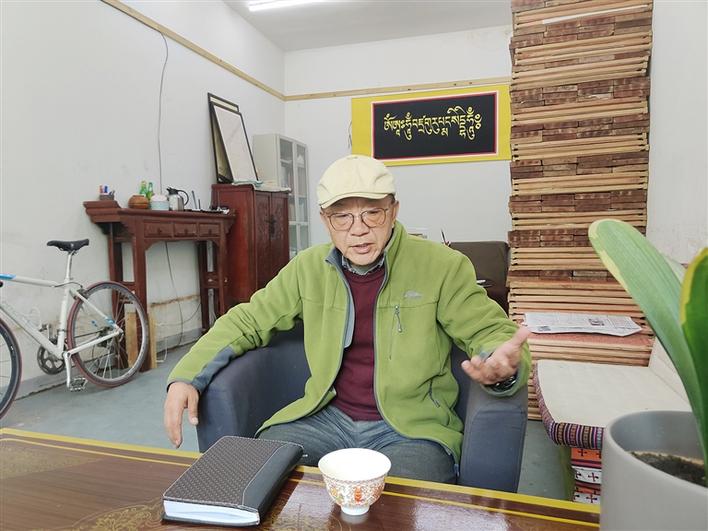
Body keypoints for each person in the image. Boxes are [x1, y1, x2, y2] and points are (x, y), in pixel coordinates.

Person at [164, 154, 531, 484]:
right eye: (342, 216)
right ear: (325, 221)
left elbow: (490, 330)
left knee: (396, 509)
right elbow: (247, 321)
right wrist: (186, 376)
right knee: (259, 479)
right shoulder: (308, 268)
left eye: (372, 212)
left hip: (412, 430)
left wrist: (500, 364)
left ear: (393, 211)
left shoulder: (442, 266)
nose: (358, 229)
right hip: (325, 418)